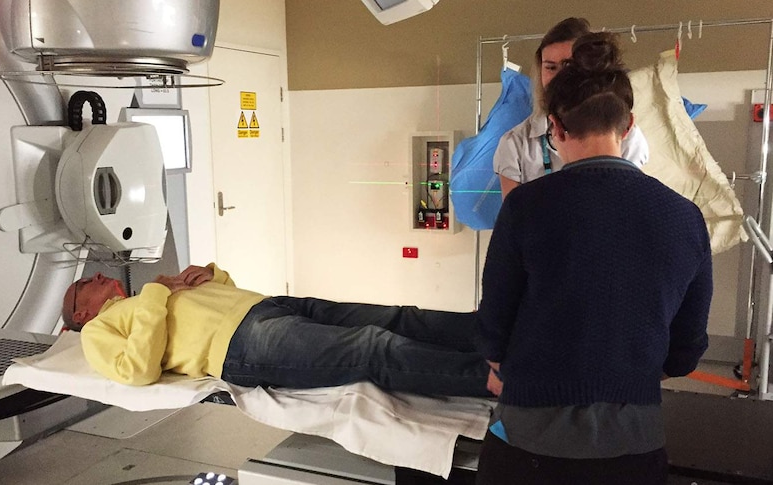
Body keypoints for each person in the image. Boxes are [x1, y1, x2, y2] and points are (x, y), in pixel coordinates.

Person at [475, 32, 711, 485]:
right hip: (633, 449)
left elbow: (493, 331)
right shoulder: (686, 218)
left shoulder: (526, 207)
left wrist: (508, 364)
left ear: (556, 130)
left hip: (530, 446)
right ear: (628, 126)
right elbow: (686, 351)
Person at [63, 263, 493, 398]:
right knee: (371, 348)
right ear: (81, 314)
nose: (98, 274)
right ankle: (495, 379)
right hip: (242, 345)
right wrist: (158, 293)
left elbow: (222, 293)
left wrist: (209, 275)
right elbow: (138, 369)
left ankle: (493, 333)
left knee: (395, 317)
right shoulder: (96, 332)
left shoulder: (145, 297)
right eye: (87, 283)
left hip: (266, 306)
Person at [493, 17, 649, 198]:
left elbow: (632, 205)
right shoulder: (514, 143)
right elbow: (513, 218)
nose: (560, 77)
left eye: (569, 65)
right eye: (551, 67)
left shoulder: (625, 137)